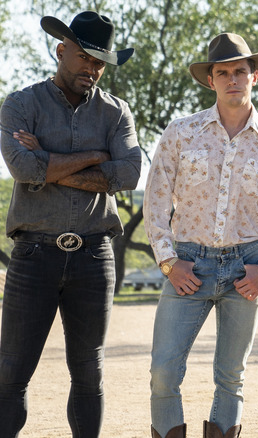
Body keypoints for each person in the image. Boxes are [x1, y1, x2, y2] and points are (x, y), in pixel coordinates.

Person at [143, 33, 258, 438]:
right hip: (188, 265)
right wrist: (167, 259)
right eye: (223, 72)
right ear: (211, 80)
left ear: (254, 78)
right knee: (163, 370)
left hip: (245, 267)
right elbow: (156, 200)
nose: (233, 78)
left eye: (240, 71)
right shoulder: (181, 133)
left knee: (231, 376)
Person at [0, 11, 140, 438]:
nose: (93, 69)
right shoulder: (22, 104)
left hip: (94, 257)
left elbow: (129, 175)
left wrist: (49, 162)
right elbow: (23, 169)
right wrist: (97, 156)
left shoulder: (116, 113)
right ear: (62, 51)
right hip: (33, 256)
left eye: (100, 62)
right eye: (85, 57)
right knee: (11, 373)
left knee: (88, 375)